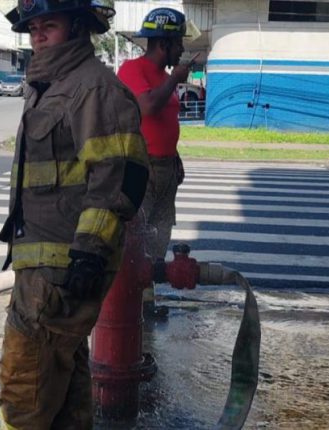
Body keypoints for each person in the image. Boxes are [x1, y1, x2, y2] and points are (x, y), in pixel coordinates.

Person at [0, 1, 149, 428]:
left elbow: (118, 175)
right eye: (33, 28)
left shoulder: (93, 89)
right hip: (44, 262)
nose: (38, 35)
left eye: (50, 25)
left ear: (79, 28)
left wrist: (89, 251)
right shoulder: (49, 86)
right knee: (64, 388)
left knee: (23, 388)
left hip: (64, 267)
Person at [117, 7, 192, 317]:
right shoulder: (132, 70)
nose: (182, 49)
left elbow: (164, 122)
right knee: (138, 237)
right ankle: (132, 304)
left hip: (166, 168)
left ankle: (146, 300)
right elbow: (147, 107)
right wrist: (175, 79)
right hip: (142, 167)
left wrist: (175, 156)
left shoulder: (163, 77)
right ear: (163, 43)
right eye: (178, 43)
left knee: (159, 235)